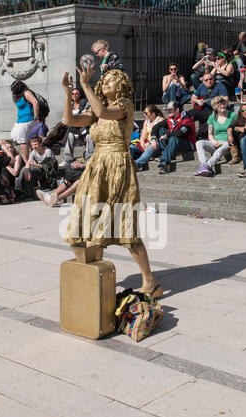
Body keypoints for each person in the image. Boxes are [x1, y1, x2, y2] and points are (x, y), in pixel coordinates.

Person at [61, 66, 163, 299]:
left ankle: (150, 280)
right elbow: (70, 120)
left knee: (124, 224)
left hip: (118, 166)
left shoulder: (124, 104)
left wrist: (85, 85)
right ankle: (97, 272)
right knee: (90, 220)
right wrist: (68, 93)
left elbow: (104, 113)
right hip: (97, 167)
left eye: (112, 80)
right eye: (104, 79)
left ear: (123, 86)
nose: (106, 82)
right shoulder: (97, 109)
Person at [194, 96, 237, 177]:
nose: (222, 106)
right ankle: (203, 164)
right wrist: (213, 141)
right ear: (215, 106)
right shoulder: (212, 117)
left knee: (220, 150)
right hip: (216, 142)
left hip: (228, 142)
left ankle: (207, 166)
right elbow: (210, 133)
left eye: (223, 104)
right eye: (220, 104)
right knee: (199, 143)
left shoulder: (232, 115)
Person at [150, 101, 196, 174]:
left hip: (188, 143)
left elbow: (182, 132)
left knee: (173, 138)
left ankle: (164, 164)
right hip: (175, 142)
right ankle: (165, 153)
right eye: (167, 109)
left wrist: (166, 136)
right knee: (161, 129)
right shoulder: (170, 118)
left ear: (177, 110)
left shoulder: (186, 117)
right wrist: (153, 139)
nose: (168, 111)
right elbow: (156, 127)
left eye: (170, 109)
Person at [59, 89, 94, 167]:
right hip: (74, 128)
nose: (74, 95)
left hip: (85, 127)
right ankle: (67, 159)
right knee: (70, 135)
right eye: (73, 94)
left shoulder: (84, 102)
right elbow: (65, 117)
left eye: (76, 93)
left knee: (89, 136)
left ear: (80, 94)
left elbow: (85, 115)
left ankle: (89, 159)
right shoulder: (70, 104)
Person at [188, 74, 228, 139]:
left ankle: (200, 134)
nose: (209, 81)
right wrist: (198, 101)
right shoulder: (201, 86)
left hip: (214, 111)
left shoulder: (220, 86)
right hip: (204, 110)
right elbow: (193, 97)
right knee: (190, 112)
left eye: (210, 79)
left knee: (210, 119)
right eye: (206, 80)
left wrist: (217, 106)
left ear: (213, 79)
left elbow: (226, 99)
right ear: (203, 81)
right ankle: (187, 130)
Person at [10, 80, 39, 164]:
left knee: (22, 139)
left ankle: (26, 161)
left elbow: (35, 102)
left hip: (28, 118)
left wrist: (36, 116)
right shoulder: (19, 96)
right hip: (21, 120)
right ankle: (35, 155)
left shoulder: (26, 92)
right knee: (15, 135)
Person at [130, 104, 164, 168]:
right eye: (144, 113)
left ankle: (136, 165)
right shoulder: (146, 122)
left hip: (156, 144)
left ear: (153, 114)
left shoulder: (160, 120)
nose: (144, 115)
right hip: (147, 143)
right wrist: (142, 142)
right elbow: (143, 136)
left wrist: (149, 143)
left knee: (150, 149)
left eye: (146, 113)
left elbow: (159, 136)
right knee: (131, 147)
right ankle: (132, 161)